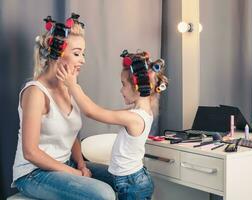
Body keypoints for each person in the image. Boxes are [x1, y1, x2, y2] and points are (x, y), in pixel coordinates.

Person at [12, 13, 115, 200]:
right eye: (77, 53)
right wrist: (73, 173)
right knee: (104, 194)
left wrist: (81, 164)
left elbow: (72, 133)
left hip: (66, 164)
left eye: (83, 53)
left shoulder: (71, 87)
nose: (83, 60)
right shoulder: (36, 92)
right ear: (57, 54)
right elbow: (30, 152)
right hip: (33, 174)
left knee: (124, 178)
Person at [56, 49, 169, 200]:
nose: (121, 90)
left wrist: (72, 85)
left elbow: (92, 112)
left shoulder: (134, 118)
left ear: (136, 87)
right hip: (132, 179)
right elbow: (102, 112)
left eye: (123, 85)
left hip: (132, 184)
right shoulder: (141, 111)